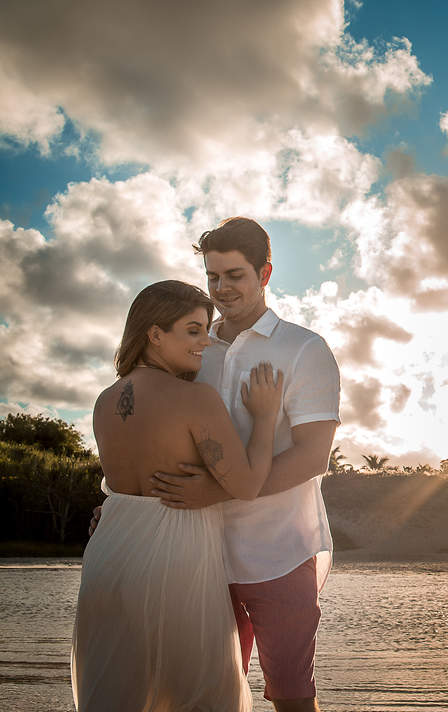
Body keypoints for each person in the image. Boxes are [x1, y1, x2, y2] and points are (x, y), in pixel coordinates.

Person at [149, 217, 340, 712]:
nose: (221, 288)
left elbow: (312, 456)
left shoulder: (304, 348)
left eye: (234, 275)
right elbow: (164, 440)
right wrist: (122, 506)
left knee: (292, 697)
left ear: (265, 273)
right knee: (205, 695)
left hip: (279, 550)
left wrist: (218, 491)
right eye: (212, 277)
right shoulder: (192, 349)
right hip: (200, 550)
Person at [74, 280, 283, 712]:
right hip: (174, 553)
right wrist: (265, 418)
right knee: (197, 694)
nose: (206, 341)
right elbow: (245, 485)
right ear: (154, 334)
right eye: (193, 330)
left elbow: (118, 485)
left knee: (116, 693)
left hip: (108, 554)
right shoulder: (194, 399)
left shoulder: (103, 401)